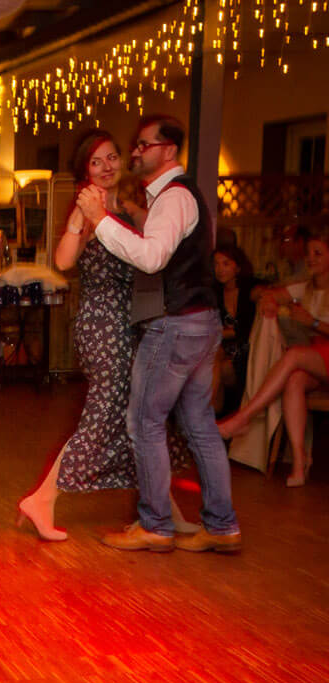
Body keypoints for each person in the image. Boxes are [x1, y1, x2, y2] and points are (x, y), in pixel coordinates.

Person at [16, 130, 195, 541]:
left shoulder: (129, 208)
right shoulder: (87, 206)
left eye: (113, 157)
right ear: (85, 170)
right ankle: (43, 498)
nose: (108, 166)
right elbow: (62, 260)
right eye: (98, 162)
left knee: (143, 415)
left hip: (129, 322)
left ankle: (163, 505)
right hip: (100, 323)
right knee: (106, 413)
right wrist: (84, 220)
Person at [77, 114, 241, 553]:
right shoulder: (173, 197)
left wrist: (100, 219)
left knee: (143, 420)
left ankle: (154, 524)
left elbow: (151, 259)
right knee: (198, 424)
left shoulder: (173, 198)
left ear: (168, 150)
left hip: (178, 323)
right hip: (200, 321)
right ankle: (222, 526)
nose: (134, 152)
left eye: (143, 145)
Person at [219, 232, 329, 485]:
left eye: (318, 253)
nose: (310, 259)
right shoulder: (307, 288)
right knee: (295, 380)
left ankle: (243, 417)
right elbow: (270, 294)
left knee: (294, 355)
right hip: (319, 361)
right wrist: (268, 301)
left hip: (321, 355)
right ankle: (300, 466)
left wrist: (312, 322)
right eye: (309, 253)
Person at [213, 242, 260, 414]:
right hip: (223, 350)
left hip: (248, 350)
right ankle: (210, 416)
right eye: (216, 264)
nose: (220, 269)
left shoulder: (250, 289)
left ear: (238, 267)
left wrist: (221, 333)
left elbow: (246, 330)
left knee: (214, 365)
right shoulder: (214, 293)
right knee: (212, 357)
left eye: (226, 263)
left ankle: (209, 416)